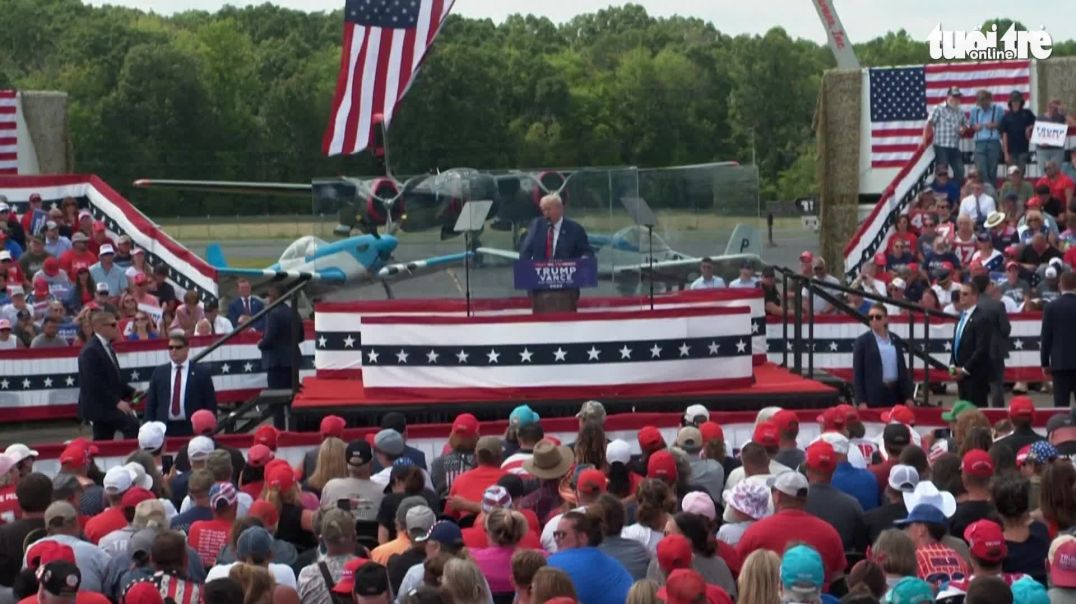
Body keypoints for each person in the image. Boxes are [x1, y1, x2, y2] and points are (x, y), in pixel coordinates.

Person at [736, 472, 846, 585]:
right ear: (806, 499)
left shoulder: (755, 532)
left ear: (777, 496)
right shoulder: (829, 532)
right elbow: (837, 578)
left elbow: (738, 571)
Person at [518, 193, 593, 312]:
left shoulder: (575, 229)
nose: (545, 213)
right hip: (540, 287)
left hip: (566, 288)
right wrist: (527, 271)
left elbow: (587, 252)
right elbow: (525, 252)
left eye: (549, 209)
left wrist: (583, 261)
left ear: (560, 208)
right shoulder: (537, 226)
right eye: (543, 210)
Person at [77, 310, 139, 440]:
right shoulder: (91, 351)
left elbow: (114, 378)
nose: (116, 327)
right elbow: (93, 383)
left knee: (103, 438)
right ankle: (129, 456)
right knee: (131, 424)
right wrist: (116, 402)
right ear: (99, 327)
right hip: (99, 406)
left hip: (106, 404)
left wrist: (132, 392)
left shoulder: (106, 347)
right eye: (112, 325)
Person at [547, 510, 633, 604]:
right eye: (555, 534)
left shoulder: (554, 564)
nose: (556, 539)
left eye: (561, 534)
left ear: (582, 538)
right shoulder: (614, 564)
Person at [144, 332, 217, 436]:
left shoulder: (201, 373)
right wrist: (148, 426)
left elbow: (210, 402)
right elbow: (151, 403)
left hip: (191, 427)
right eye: (170, 347)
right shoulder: (159, 372)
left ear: (187, 348)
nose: (173, 350)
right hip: (164, 427)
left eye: (178, 347)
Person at [852, 303, 914, 409]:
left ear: (886, 319)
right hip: (874, 396)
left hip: (895, 393)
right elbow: (858, 373)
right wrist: (861, 400)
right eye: (871, 317)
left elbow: (902, 369)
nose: (874, 320)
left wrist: (908, 396)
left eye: (878, 317)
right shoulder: (862, 342)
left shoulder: (895, 339)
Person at [258, 285, 302, 426]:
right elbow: (301, 336)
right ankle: (294, 429)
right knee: (292, 399)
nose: (268, 299)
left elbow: (270, 338)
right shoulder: (294, 312)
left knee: (277, 402)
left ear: (275, 296)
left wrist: (261, 344)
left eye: (270, 296)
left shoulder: (273, 314)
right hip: (292, 361)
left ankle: (279, 431)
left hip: (276, 362)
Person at [951, 281, 995, 407]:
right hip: (961, 376)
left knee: (976, 410)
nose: (961, 297)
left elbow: (982, 349)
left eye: (965, 294)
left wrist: (964, 369)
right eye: (960, 294)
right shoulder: (961, 318)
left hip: (975, 376)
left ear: (974, 297)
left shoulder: (982, 318)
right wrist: (952, 367)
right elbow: (956, 344)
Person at [319, 440, 384, 521]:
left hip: (338, 533)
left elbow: (321, 517)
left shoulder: (331, 487)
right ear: (371, 464)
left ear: (347, 463)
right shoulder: (383, 492)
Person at [1041, 270, 1076, 407]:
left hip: (1060, 363)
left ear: (1060, 285)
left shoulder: (1051, 307)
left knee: (1061, 407)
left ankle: (1061, 428)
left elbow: (1046, 337)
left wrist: (1044, 362)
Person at [924, 86, 969, 182]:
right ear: (948, 96)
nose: (956, 99)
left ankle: (956, 192)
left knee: (960, 171)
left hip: (954, 146)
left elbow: (966, 123)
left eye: (958, 97)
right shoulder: (938, 109)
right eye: (954, 96)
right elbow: (929, 123)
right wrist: (924, 140)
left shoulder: (960, 111)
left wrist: (963, 129)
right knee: (942, 171)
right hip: (941, 146)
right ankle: (941, 192)